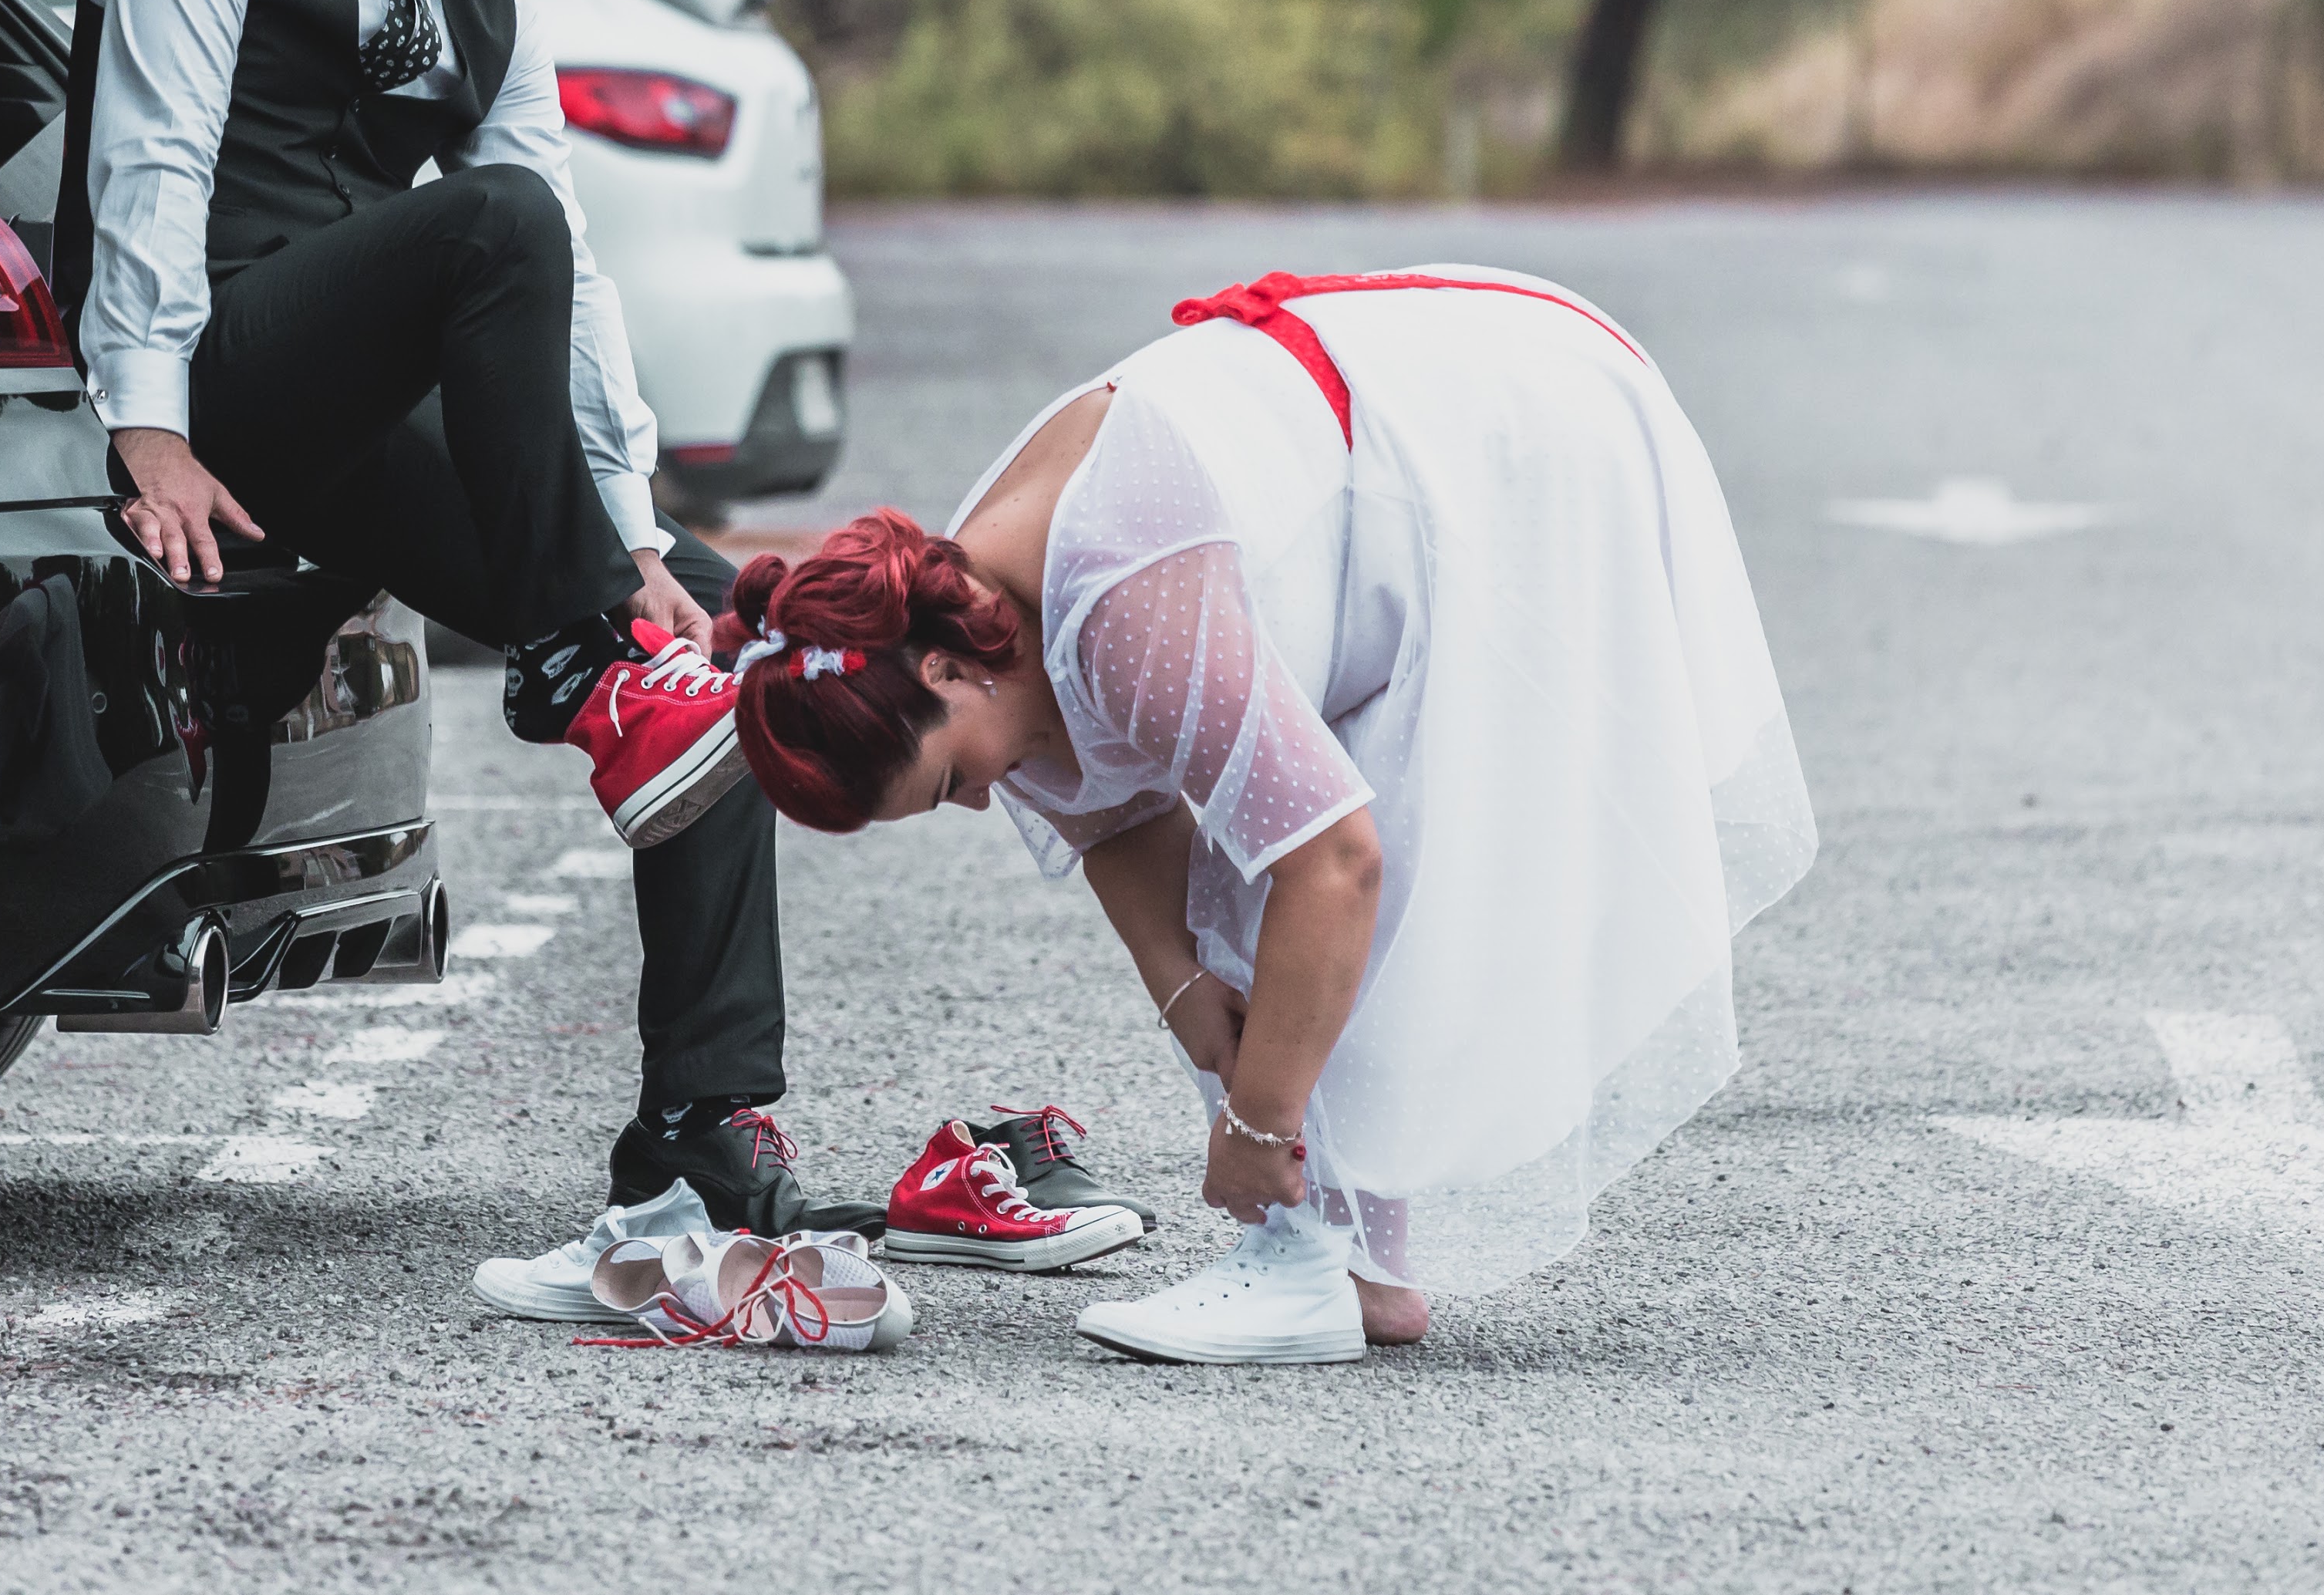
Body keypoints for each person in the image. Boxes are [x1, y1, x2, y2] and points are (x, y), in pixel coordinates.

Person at [716, 267, 1817, 1364]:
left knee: (1317, 878)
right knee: (1244, 917)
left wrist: (1257, 1126)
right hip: (1409, 420)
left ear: (949, 674)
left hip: (1520, 426)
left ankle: (1308, 1270)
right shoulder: (966, 615)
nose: (973, 801)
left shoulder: (1117, 601)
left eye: (948, 780)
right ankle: (1352, 1271)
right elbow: (1114, 816)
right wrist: (1186, 993)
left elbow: (1336, 864)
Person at [63, 0, 813, 1232]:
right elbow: (150, 158)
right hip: (225, 373)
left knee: (711, 638)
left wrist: (628, 535)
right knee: (496, 220)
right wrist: (148, 425)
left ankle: (700, 1118)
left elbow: (577, 279)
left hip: (359, 423)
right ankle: (573, 656)